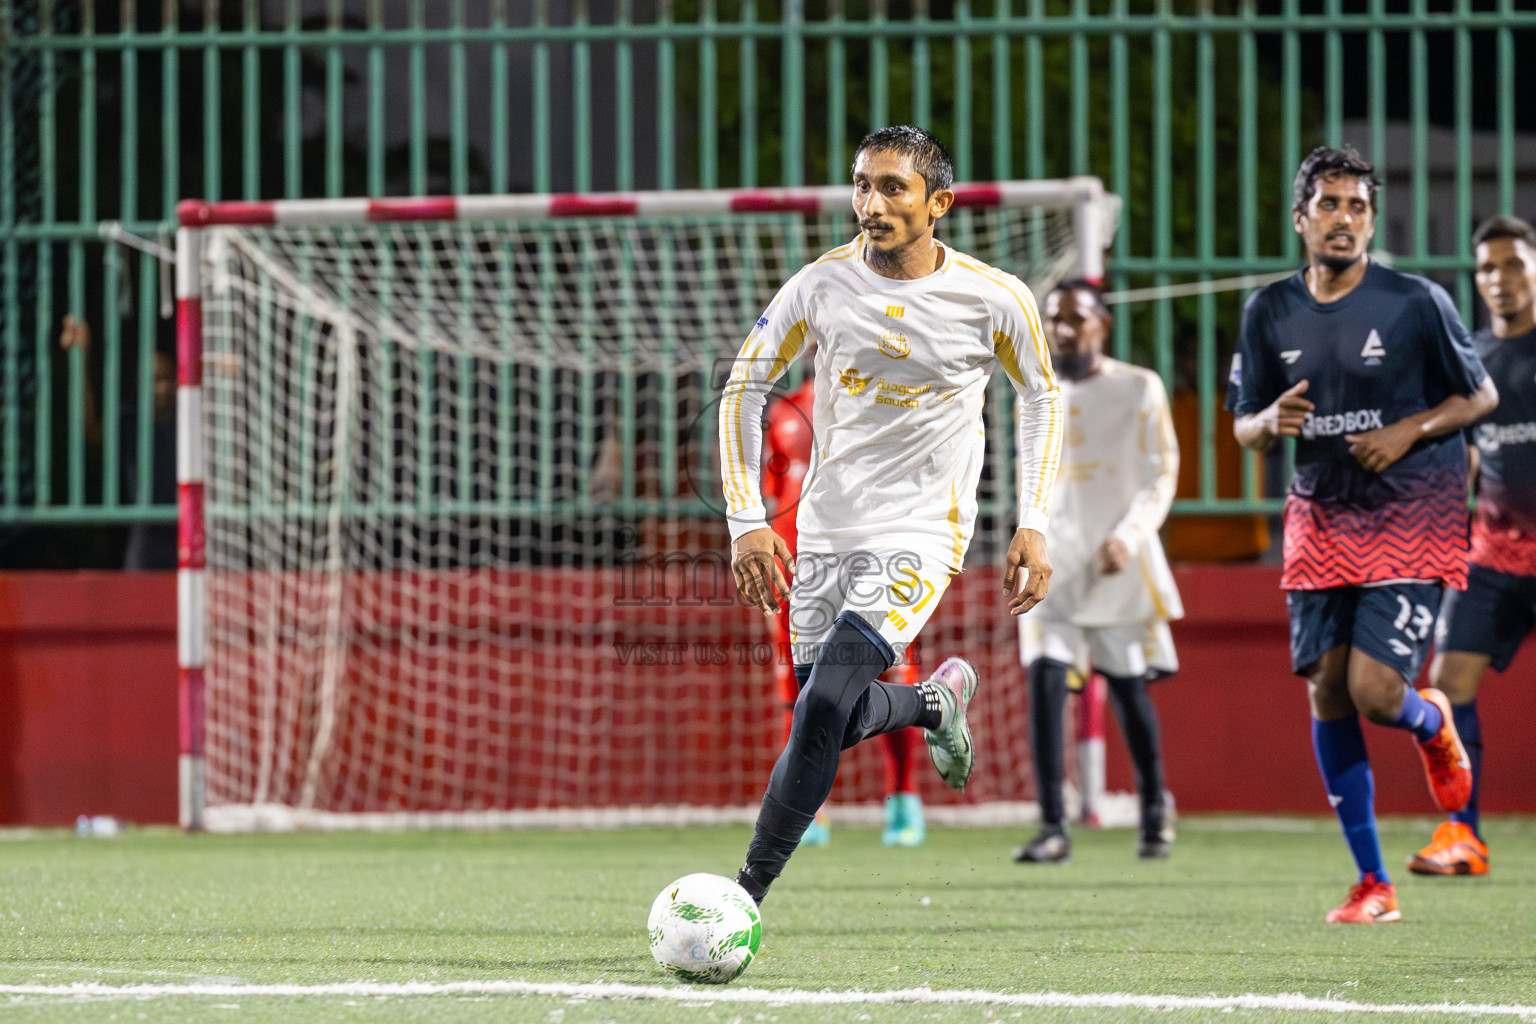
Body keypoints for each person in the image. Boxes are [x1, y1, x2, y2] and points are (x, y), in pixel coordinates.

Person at [718, 125, 1063, 904]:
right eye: (862, 185)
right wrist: (746, 517)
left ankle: (744, 897)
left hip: (921, 530)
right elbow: (743, 385)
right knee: (825, 716)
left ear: (938, 203)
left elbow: (1042, 396)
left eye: (892, 188)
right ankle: (931, 703)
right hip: (826, 528)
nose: (871, 203)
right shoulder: (820, 285)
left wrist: (1035, 519)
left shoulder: (994, 297)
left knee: (828, 702)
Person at [1228, 145, 1495, 925]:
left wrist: (1410, 428)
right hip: (1321, 513)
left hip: (1412, 510)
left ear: (1370, 220)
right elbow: (1244, 425)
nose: (1344, 220)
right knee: (1326, 689)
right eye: (1329, 205)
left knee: (1378, 693)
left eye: (1357, 207)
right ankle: (1373, 882)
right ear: (1300, 217)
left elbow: (1476, 396)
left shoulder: (1415, 301)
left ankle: (1429, 721)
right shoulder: (1267, 311)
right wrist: (1266, 423)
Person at [1012, 279, 1182, 864]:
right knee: (1045, 683)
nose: (1063, 328)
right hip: (1050, 565)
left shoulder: (1137, 387)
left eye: (1075, 318)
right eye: (1053, 318)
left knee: (1130, 690)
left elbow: (1162, 473)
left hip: (1114, 564)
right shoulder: (1032, 393)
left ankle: (1155, 809)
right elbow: (1027, 481)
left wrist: (1130, 536)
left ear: (1100, 324)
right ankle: (1052, 825)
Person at [1410, 215, 1536, 877]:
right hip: (1492, 552)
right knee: (1446, 686)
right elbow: (1466, 461)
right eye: (1488, 267)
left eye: (1514, 263)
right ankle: (1463, 834)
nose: (1501, 278)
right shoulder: (1476, 362)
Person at [761, 360, 929, 848]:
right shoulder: (786, 410)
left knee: (892, 674)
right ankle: (806, 807)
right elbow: (775, 497)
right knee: (800, 687)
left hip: (875, 560)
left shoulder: (887, 395)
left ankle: (903, 799)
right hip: (797, 568)